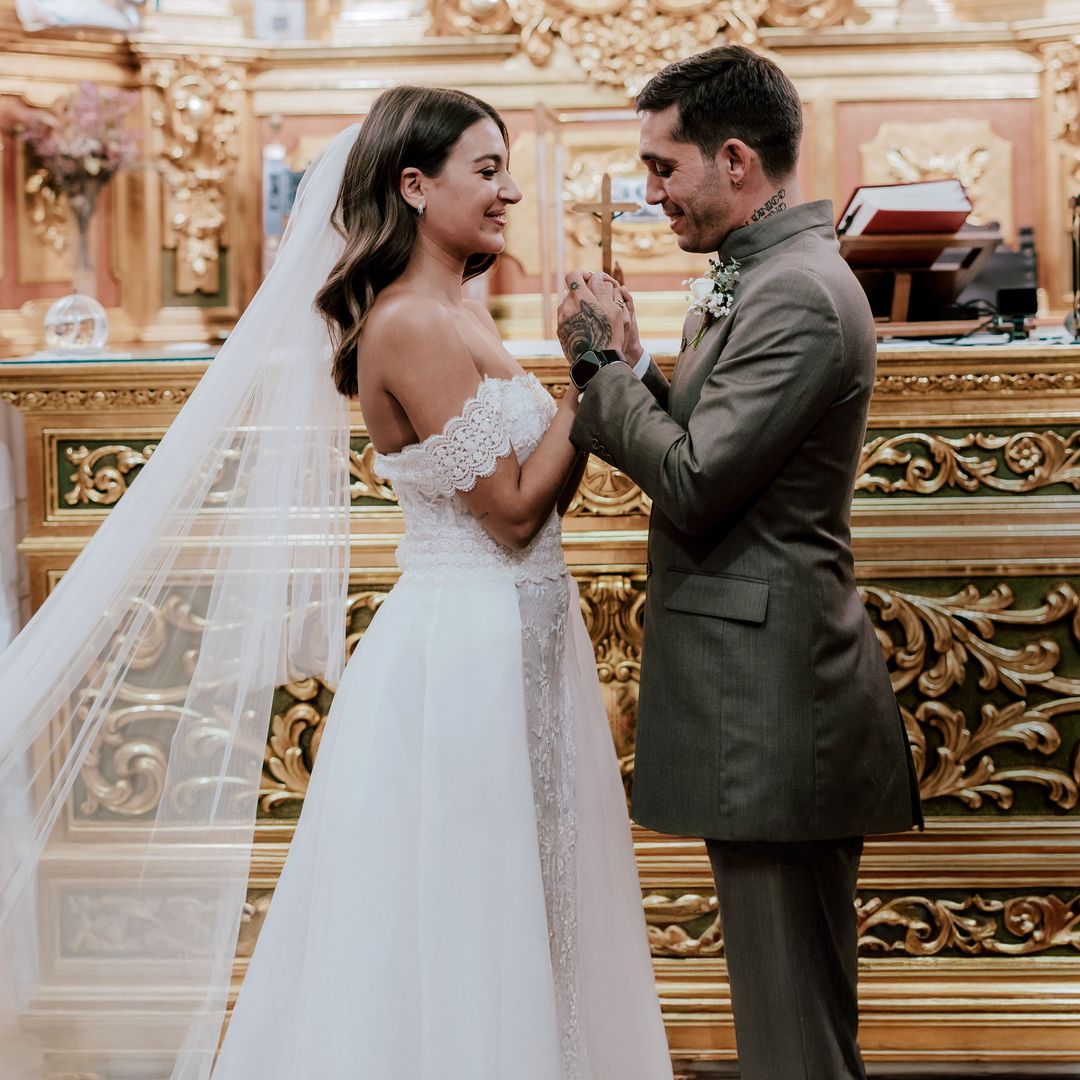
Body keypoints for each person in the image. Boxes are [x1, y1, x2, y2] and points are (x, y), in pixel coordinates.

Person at [0, 88, 672, 1080]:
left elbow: (537, 495)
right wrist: (592, 372)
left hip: (523, 626)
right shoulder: (407, 323)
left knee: (528, 892)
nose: (509, 192)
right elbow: (517, 509)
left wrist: (600, 375)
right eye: (485, 171)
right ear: (414, 185)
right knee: (467, 903)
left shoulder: (456, 304)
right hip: (463, 649)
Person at [557, 45, 923, 1080]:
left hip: (773, 698)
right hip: (761, 688)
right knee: (789, 1008)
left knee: (790, 1027)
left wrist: (595, 368)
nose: (650, 192)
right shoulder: (765, 276)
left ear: (733, 160)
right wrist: (633, 369)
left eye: (663, 168)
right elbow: (711, 447)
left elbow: (694, 481)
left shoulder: (797, 294)